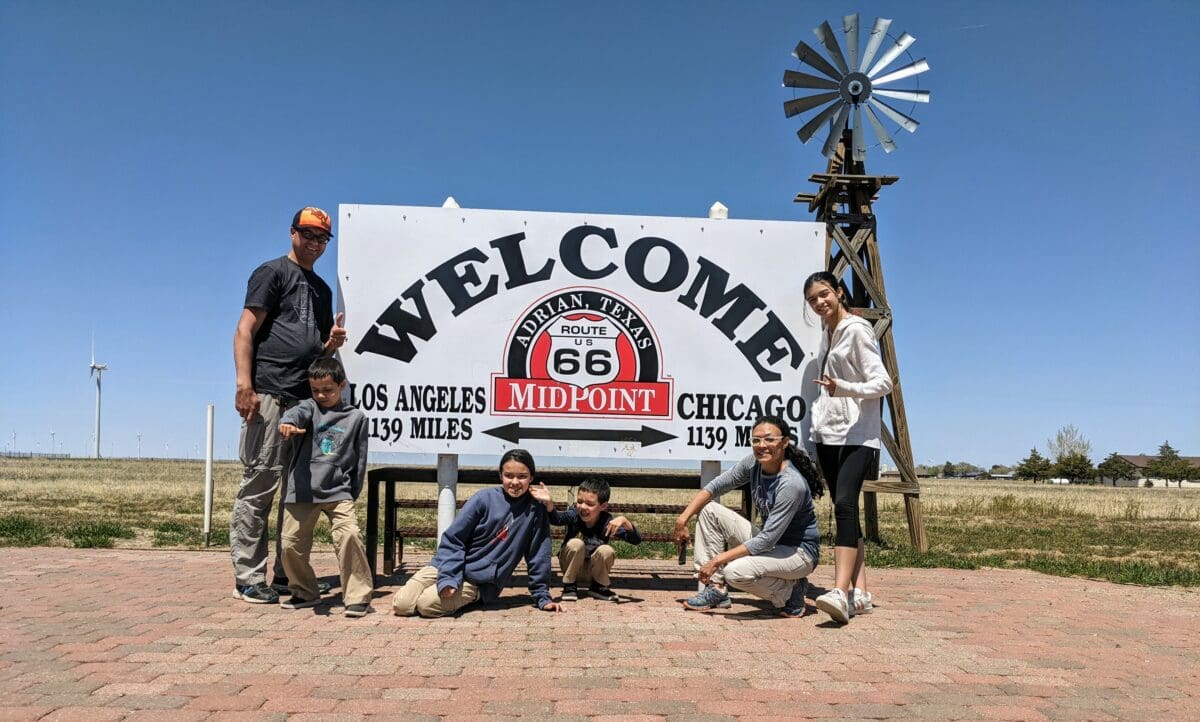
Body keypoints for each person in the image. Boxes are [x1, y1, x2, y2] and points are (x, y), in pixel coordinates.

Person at [231, 206, 347, 604]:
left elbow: (314, 350)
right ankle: (248, 576)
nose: (315, 244)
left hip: (304, 402)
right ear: (292, 233)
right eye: (308, 235)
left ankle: (285, 573)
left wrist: (331, 344)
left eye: (322, 239)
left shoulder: (322, 289)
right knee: (260, 484)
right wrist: (245, 385)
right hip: (271, 396)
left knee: (297, 493)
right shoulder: (272, 272)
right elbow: (245, 329)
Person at [803, 271, 894, 624]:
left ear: (839, 292)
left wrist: (844, 388)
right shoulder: (827, 332)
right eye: (813, 299)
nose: (820, 302)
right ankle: (861, 593)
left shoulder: (857, 330)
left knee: (843, 505)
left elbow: (883, 382)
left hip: (857, 434)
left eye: (824, 294)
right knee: (847, 511)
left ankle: (840, 591)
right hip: (828, 433)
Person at [673, 415, 825, 617]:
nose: (762, 445)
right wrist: (682, 519)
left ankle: (791, 592)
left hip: (798, 553)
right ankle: (716, 588)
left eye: (769, 439)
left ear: (785, 442)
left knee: (734, 572)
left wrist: (718, 560)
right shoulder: (753, 463)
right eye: (756, 440)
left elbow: (766, 539)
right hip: (772, 544)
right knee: (710, 510)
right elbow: (716, 486)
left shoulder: (791, 484)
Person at [391, 449, 563, 617]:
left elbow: (539, 555)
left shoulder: (535, 510)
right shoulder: (483, 498)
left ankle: (475, 596)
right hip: (446, 566)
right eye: (509, 476)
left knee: (426, 605)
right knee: (402, 605)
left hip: (477, 581)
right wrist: (449, 577)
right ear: (500, 475)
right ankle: (443, 586)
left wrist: (542, 597)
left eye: (522, 477)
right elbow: (454, 539)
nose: (515, 482)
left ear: (531, 477)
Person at [276, 357, 373, 617]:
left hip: (337, 491)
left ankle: (357, 597)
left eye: (328, 390)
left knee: (349, 535)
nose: (321, 395)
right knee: (289, 545)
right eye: (315, 390)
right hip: (302, 490)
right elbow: (295, 414)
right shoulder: (308, 408)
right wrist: (287, 422)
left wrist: (351, 492)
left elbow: (360, 460)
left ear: (342, 385)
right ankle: (304, 591)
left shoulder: (356, 418)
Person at [533, 477, 642, 602]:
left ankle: (598, 587)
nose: (583, 507)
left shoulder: (607, 522)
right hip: (571, 569)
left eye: (590, 504)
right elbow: (557, 519)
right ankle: (569, 586)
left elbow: (636, 540)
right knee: (576, 543)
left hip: (593, 572)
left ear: (603, 506)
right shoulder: (574, 514)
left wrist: (625, 521)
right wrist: (550, 504)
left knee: (606, 550)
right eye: (579, 501)